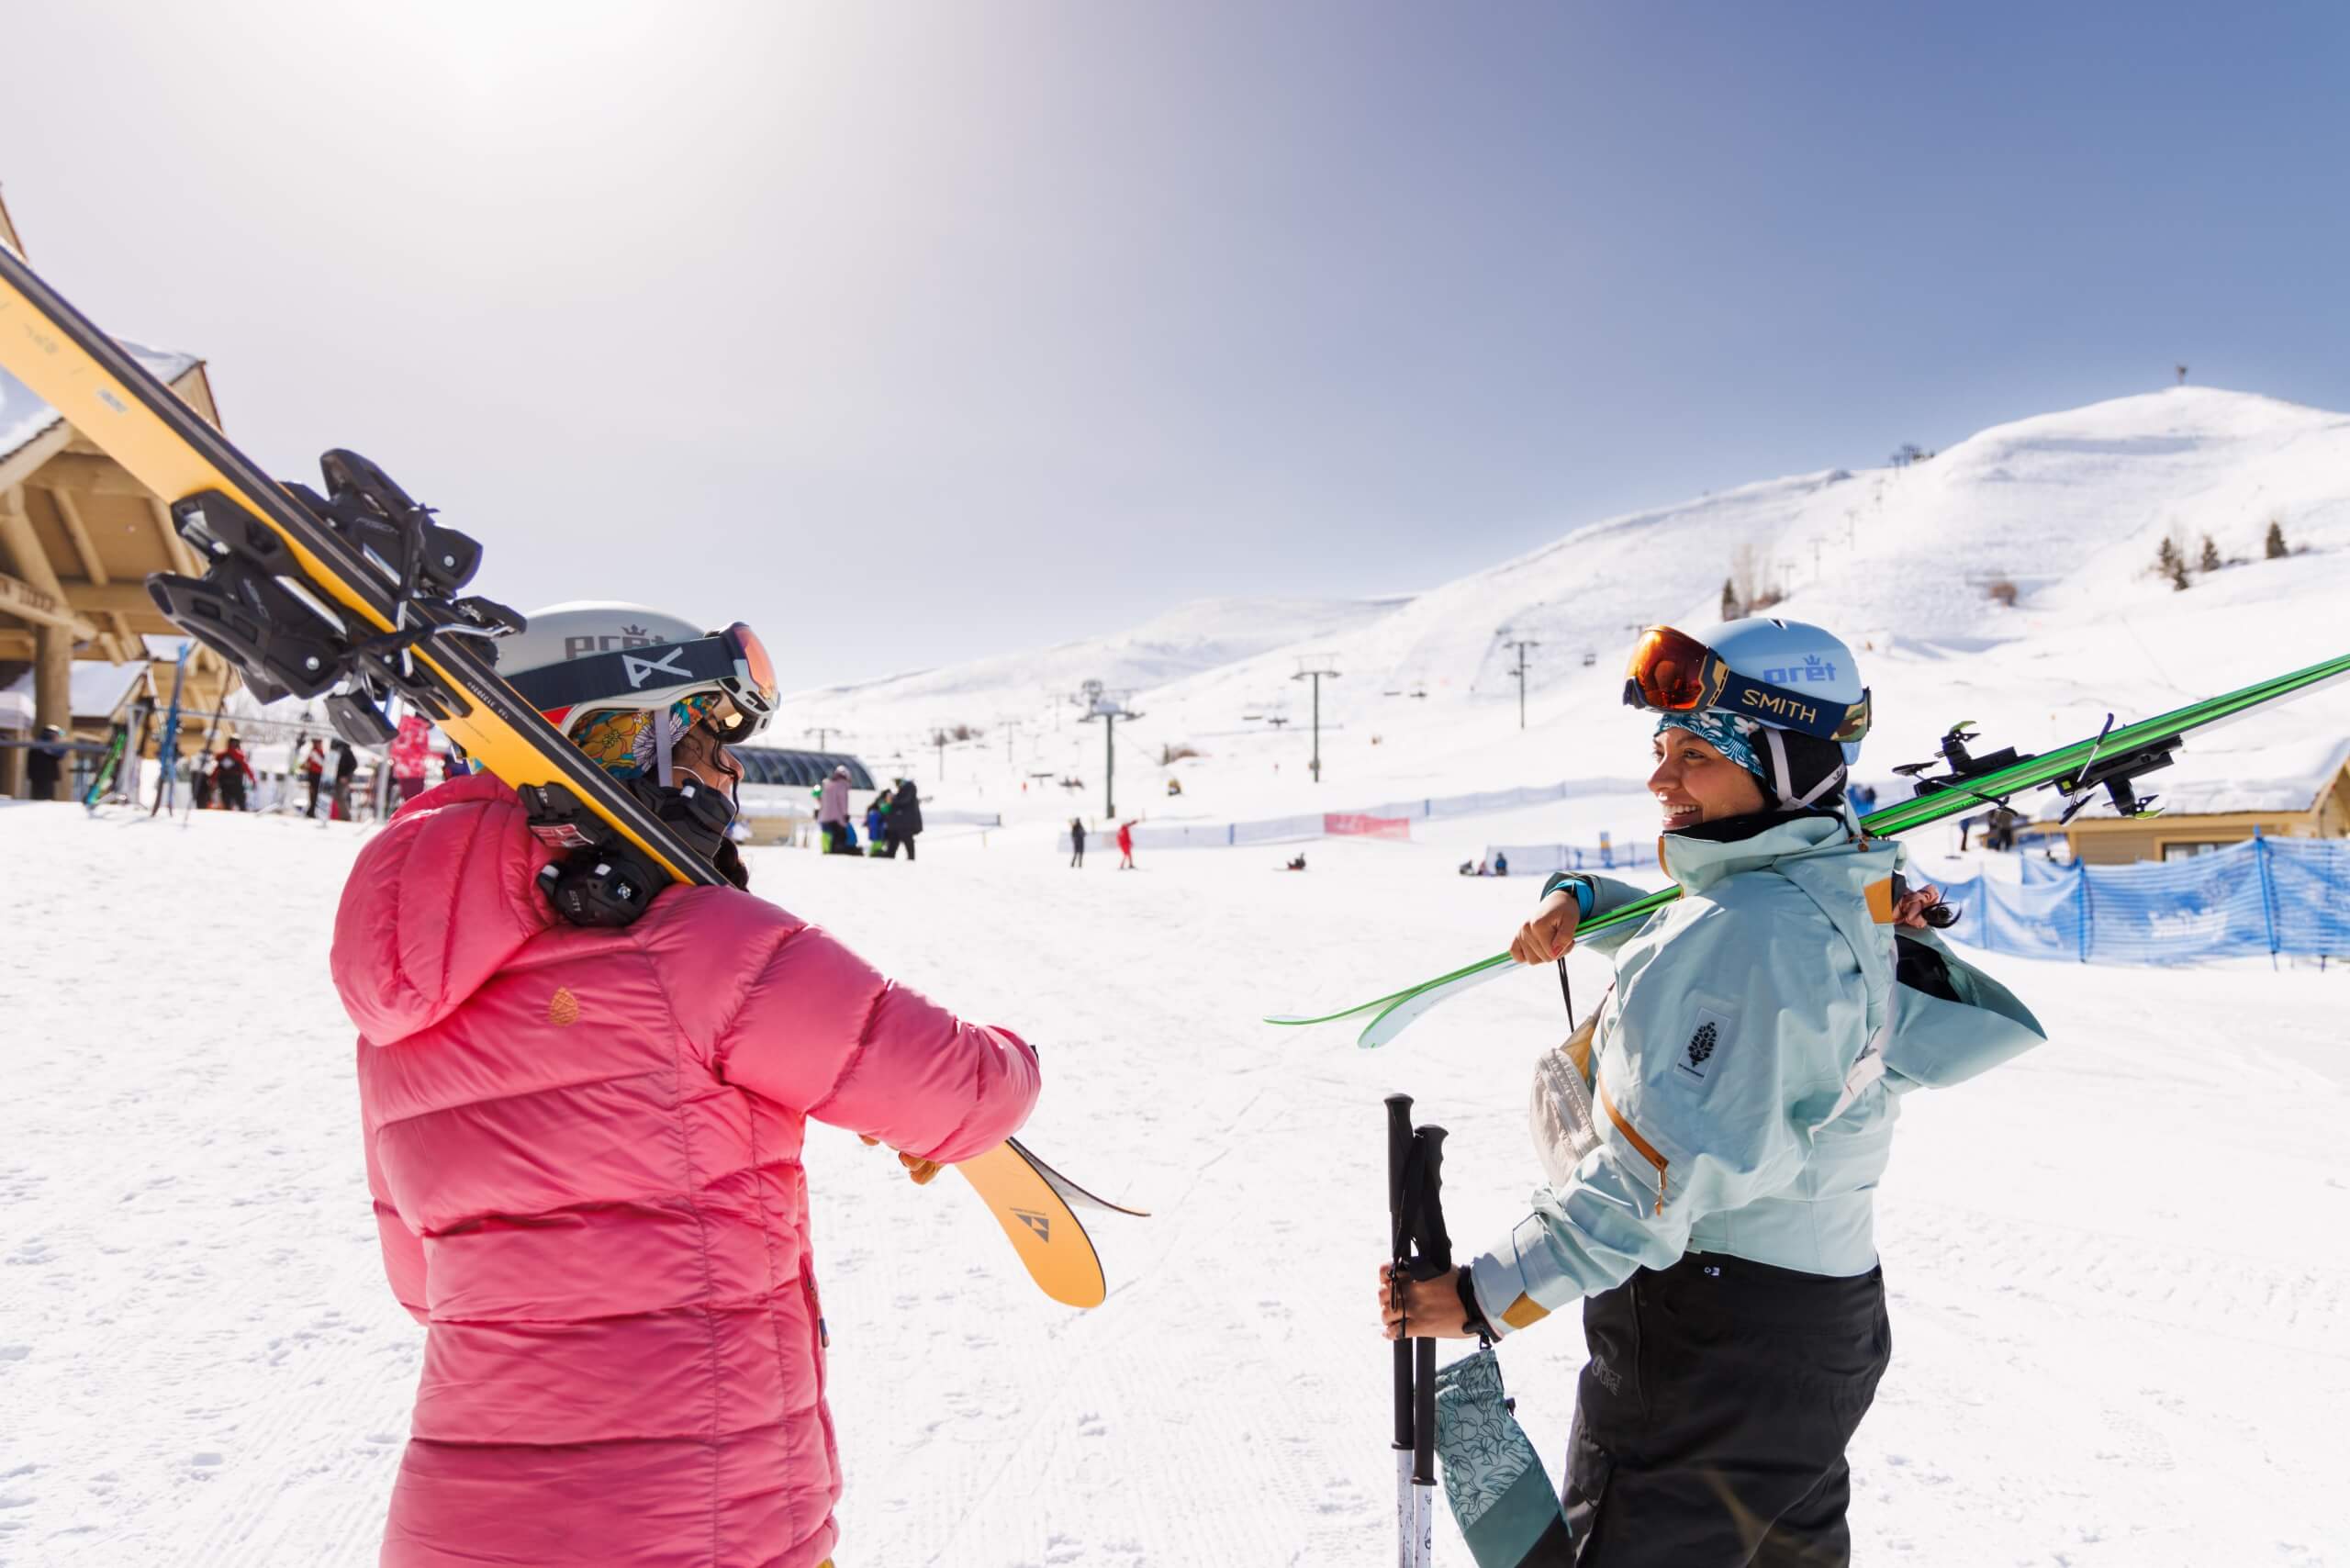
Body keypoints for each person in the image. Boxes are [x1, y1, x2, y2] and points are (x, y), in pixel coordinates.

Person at [333, 602, 1041, 1568]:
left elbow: (421, 1283)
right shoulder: (700, 943)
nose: (731, 772)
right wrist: (1007, 1056)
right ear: (628, 738)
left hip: (460, 1529)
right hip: (685, 1518)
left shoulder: (411, 988)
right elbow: (966, 1089)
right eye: (709, 738)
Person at [1376, 619, 2046, 1567]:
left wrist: (1481, 1296)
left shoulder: (1748, 933)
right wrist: (1588, 900)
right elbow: (1718, 939)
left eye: (1694, 754)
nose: (1660, 779)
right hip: (1818, 1334)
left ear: (1778, 764)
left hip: (1707, 1349)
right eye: (1660, 751)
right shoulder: (1836, 880)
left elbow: (1648, 1185)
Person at [817, 763, 851, 854]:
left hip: (824, 814)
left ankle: (825, 849)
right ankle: (833, 850)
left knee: (825, 833)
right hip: (836, 817)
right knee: (837, 835)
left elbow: (821, 799)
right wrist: (845, 814)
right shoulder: (842, 785)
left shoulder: (827, 784)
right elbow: (843, 801)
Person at [886, 778, 923, 861]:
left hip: (906, 823)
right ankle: (890, 857)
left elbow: (903, 801)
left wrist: (893, 800)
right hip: (901, 823)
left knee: (907, 841)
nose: (896, 785)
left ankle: (910, 859)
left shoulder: (909, 788)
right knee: (895, 841)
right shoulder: (905, 789)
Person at [26, 724, 64, 801]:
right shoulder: (45, 745)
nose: (58, 738)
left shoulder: (40, 745)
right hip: (44, 777)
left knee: (39, 798)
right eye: (57, 735)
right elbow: (59, 754)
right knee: (43, 799)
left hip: (41, 777)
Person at [330, 739, 358, 821]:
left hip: (343, 779)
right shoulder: (340, 750)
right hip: (338, 778)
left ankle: (346, 817)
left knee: (341, 797)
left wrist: (346, 776)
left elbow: (354, 764)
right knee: (337, 797)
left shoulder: (346, 751)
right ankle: (343, 816)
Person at [300, 738, 327, 819]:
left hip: (317, 775)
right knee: (314, 794)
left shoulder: (318, 752)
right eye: (319, 743)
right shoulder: (315, 752)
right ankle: (311, 812)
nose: (321, 745)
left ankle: (312, 811)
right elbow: (321, 763)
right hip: (314, 775)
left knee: (315, 794)